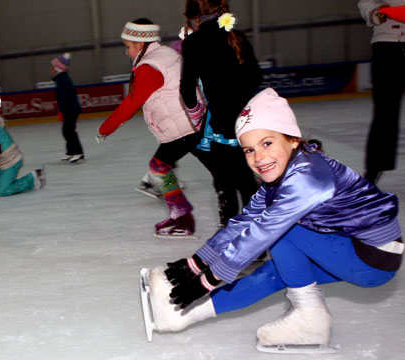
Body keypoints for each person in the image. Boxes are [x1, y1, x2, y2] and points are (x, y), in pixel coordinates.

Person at [143, 88, 403, 352]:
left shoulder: (309, 178)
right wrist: (193, 264)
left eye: (267, 143)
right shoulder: (282, 177)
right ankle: (180, 316)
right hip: (354, 251)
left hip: (373, 255)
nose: (258, 158)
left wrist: (206, 280)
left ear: (292, 139)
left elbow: (265, 229)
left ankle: (309, 315)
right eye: (248, 150)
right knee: (275, 273)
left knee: (280, 231)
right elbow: (244, 220)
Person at [96, 18, 206, 238]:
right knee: (220, 165)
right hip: (193, 121)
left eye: (127, 46)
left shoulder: (150, 66)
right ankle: (182, 216)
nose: (126, 52)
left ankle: (183, 218)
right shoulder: (166, 54)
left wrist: (105, 129)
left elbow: (132, 103)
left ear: (139, 43)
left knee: (159, 167)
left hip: (183, 126)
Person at [180, 0, 262, 226]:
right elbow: (256, 76)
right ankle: (253, 233)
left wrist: (197, 115)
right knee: (246, 177)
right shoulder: (238, 36)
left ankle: (228, 231)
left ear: (195, 16)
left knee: (224, 179)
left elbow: (187, 89)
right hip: (247, 119)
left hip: (219, 120)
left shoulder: (193, 42)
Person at [359, 0, 405, 184]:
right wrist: (373, 12)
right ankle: (373, 170)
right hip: (386, 45)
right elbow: (365, 2)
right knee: (385, 111)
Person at [50, 53, 85, 164]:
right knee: (68, 131)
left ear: (58, 68)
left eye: (52, 67)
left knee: (69, 131)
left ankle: (77, 152)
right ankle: (71, 152)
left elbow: (63, 97)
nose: (51, 70)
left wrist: (61, 110)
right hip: (70, 109)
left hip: (70, 109)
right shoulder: (62, 79)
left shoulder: (62, 80)